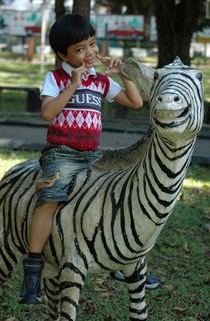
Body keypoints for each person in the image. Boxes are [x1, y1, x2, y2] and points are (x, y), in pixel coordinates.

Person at [19, 14, 159, 305]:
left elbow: (135, 103)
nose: (90, 53)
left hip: (92, 156)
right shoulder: (55, 78)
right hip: (62, 154)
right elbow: (48, 112)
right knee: (50, 199)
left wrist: (124, 76)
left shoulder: (99, 81)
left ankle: (125, 264)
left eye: (92, 45)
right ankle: (33, 270)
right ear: (63, 55)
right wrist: (72, 84)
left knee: (119, 195)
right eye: (80, 49)